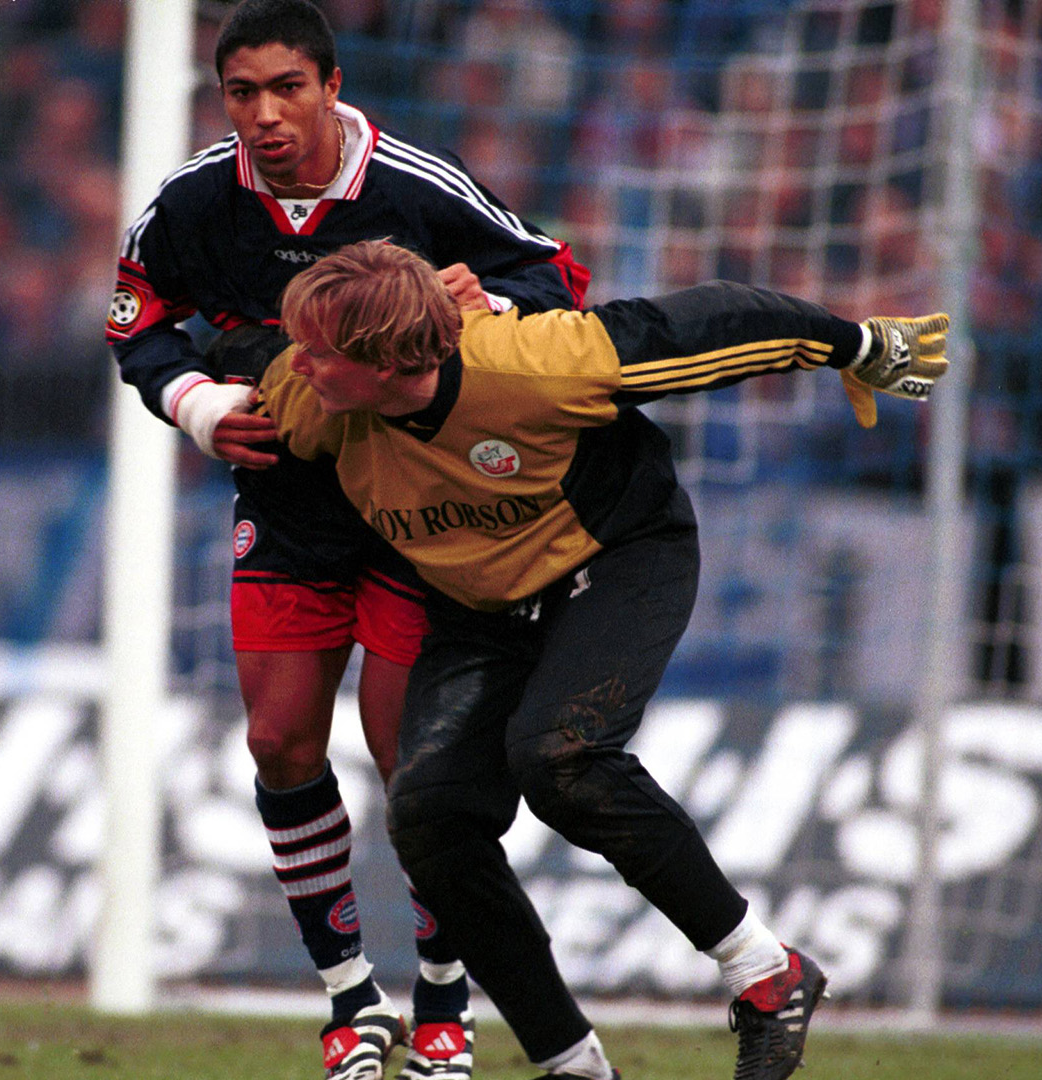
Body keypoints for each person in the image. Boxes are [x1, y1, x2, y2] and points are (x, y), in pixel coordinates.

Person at [253, 240, 947, 1080]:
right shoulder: (308, 394)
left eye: (323, 349)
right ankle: (573, 1065)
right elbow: (217, 360)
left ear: (393, 358)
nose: (302, 363)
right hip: (478, 611)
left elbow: (708, 324)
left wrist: (855, 345)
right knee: (428, 818)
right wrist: (189, 400)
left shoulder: (535, 363)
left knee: (562, 756)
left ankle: (765, 973)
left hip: (619, 557)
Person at [106, 4, 588, 1078]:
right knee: (279, 742)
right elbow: (137, 318)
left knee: (413, 765)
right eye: (242, 94)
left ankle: (444, 1004)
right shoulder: (192, 203)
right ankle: (348, 1006)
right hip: (287, 506)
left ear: (330, 85)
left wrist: (489, 299)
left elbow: (556, 277)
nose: (266, 117)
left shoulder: (417, 185)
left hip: (418, 512)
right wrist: (192, 401)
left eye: (287, 89)